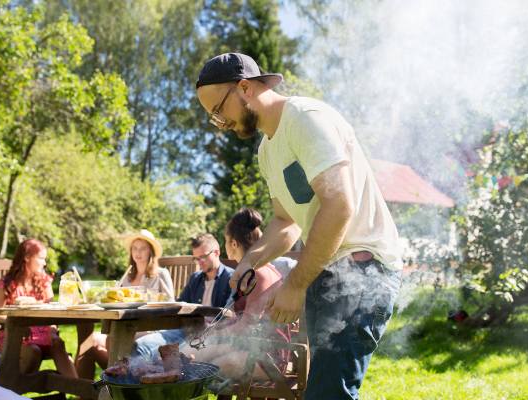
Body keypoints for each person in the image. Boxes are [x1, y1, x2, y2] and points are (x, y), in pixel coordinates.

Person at [195, 53, 402, 400]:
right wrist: (251, 260)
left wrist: (295, 283)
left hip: (364, 271)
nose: (221, 123)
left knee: (328, 393)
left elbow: (339, 205)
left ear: (244, 88)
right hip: (327, 268)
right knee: (324, 390)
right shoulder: (267, 150)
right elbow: (286, 222)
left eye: (218, 110)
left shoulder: (306, 119)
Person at [181, 208, 288, 380]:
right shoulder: (254, 270)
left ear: (234, 244)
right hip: (253, 348)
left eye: (225, 241)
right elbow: (241, 320)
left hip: (266, 358)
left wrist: (215, 335)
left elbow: (247, 325)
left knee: (204, 367)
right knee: (190, 355)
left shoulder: (258, 273)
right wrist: (216, 330)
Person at [76, 229, 174, 379]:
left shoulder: (161, 274)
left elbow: (170, 304)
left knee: (111, 339)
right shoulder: (127, 278)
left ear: (151, 252)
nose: (138, 252)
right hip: (123, 327)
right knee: (89, 341)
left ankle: (116, 382)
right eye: (135, 248)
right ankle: (85, 392)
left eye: (143, 248)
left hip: (150, 328)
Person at [131, 233, 234, 361]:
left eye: (203, 257)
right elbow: (180, 305)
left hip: (211, 335)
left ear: (217, 253)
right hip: (186, 331)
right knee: (141, 346)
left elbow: (232, 315)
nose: (199, 262)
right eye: (196, 259)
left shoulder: (231, 279)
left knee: (158, 357)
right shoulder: (195, 278)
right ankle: (129, 379)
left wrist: (212, 327)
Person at [0, 239, 77, 378]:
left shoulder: (44, 282)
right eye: (41, 258)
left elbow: (51, 310)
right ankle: (11, 388)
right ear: (27, 257)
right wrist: (19, 323)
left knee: (58, 344)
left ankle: (81, 393)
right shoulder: (7, 285)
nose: (45, 263)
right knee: (33, 351)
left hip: (43, 334)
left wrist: (53, 328)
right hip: (15, 336)